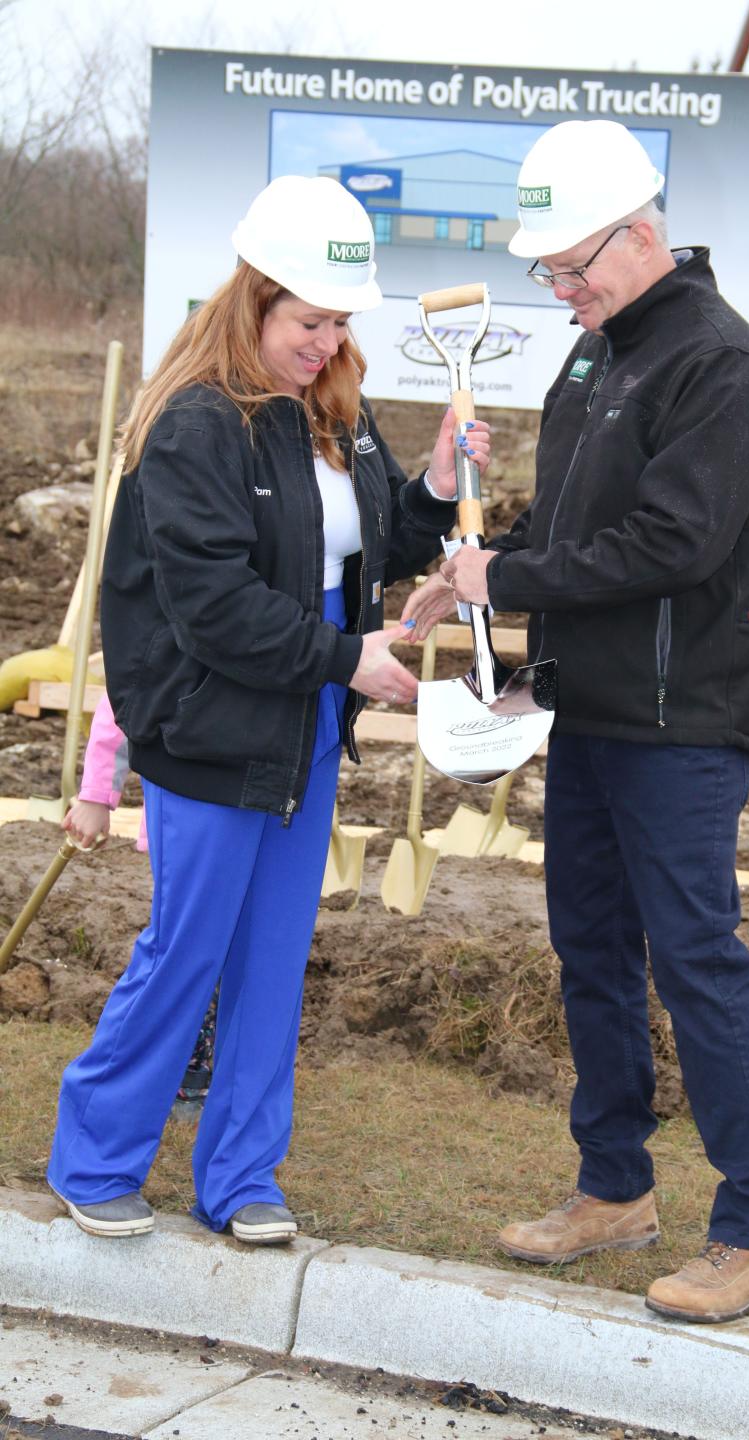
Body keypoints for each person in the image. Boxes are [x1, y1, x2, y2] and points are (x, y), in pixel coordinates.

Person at [47, 174, 490, 1245]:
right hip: (209, 734)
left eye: (340, 321)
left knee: (271, 966)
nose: (327, 340)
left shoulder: (336, 408)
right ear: (252, 301)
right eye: (308, 320)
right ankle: (95, 1159)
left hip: (300, 740)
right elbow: (212, 608)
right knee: (185, 954)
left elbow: (370, 547)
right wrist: (348, 661)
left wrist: (429, 487)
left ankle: (240, 1178)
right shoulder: (197, 425)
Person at [404, 120, 749, 1324]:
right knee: (591, 958)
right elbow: (577, 539)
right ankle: (615, 1188)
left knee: (697, 964)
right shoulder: (595, 358)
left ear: (639, 235)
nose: (561, 290)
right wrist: (481, 559)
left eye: (573, 267)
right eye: (548, 274)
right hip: (591, 710)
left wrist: (509, 585)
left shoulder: (719, 367)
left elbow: (677, 543)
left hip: (683, 724)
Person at [62, 694, 218, 1107]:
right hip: (184, 816)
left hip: (259, 815)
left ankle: (216, 1065)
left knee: (232, 949)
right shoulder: (168, 632)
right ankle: (184, 1071)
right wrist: (97, 795)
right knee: (186, 948)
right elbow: (124, 701)